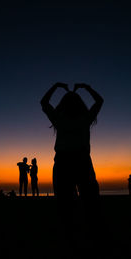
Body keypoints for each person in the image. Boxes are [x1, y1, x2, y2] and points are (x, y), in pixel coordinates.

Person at [41, 82, 103, 222]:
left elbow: (44, 102)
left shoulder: (59, 119)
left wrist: (56, 86)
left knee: (66, 206)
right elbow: (99, 101)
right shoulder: (85, 118)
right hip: (80, 162)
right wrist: (86, 88)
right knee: (90, 204)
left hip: (66, 163)